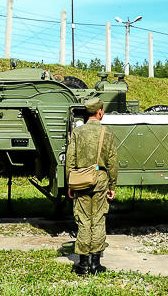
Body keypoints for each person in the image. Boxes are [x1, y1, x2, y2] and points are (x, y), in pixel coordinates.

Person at [66, 97, 117, 275]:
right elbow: (112, 163)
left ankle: (82, 265)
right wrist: (112, 186)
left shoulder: (77, 132)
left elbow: (70, 160)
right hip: (100, 179)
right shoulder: (107, 133)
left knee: (83, 219)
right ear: (100, 112)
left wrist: (70, 184)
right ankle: (95, 264)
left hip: (81, 180)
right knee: (99, 219)